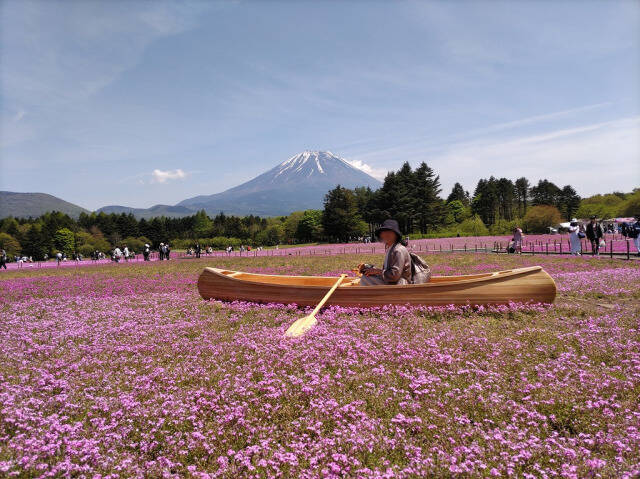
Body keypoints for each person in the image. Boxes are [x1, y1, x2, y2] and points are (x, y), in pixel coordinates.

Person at [359, 219, 412, 286]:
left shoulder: (398, 250)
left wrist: (377, 271)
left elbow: (394, 275)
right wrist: (372, 270)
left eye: (389, 231)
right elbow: (388, 271)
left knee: (365, 279)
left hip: (400, 284)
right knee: (366, 276)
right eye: (383, 232)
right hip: (393, 282)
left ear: (396, 234)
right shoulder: (391, 248)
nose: (386, 234)